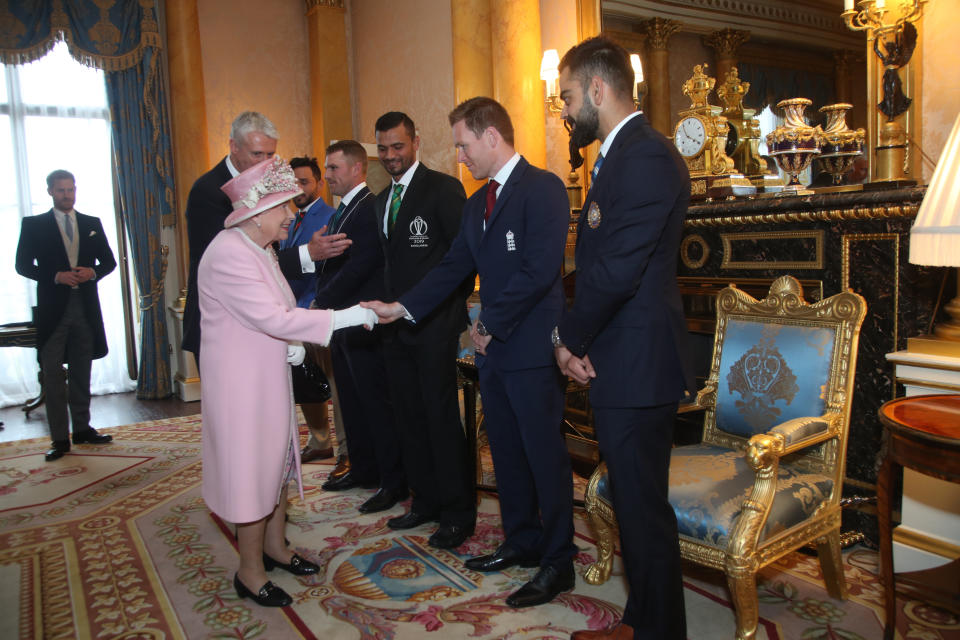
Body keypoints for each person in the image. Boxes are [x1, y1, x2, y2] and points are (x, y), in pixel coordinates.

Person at [364, 97, 576, 604]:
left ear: (491, 137)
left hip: (529, 349)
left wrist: (489, 324)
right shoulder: (477, 202)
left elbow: (540, 270)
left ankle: (558, 561)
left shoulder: (542, 188)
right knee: (504, 453)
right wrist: (402, 307)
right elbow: (452, 267)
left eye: (463, 144)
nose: (460, 155)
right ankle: (522, 541)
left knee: (543, 456)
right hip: (494, 353)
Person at [554, 36, 692, 640]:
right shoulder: (619, 154)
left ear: (599, 90)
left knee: (644, 516)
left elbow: (614, 273)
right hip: (619, 359)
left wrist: (567, 337)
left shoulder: (647, 157)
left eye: (566, 97)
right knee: (635, 513)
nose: (562, 110)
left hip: (638, 365)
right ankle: (640, 622)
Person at [199, 156, 377, 608]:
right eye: (284, 208)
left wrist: (289, 344)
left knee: (275, 463)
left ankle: (276, 549)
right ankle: (250, 570)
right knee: (251, 474)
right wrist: (356, 315)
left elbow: (272, 310)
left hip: (264, 375)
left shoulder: (257, 248)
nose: (293, 215)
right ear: (258, 213)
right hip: (242, 388)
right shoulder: (228, 254)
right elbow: (273, 315)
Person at [372, 111, 475, 544]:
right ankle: (425, 501)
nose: (391, 156)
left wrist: (446, 315)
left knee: (440, 419)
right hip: (393, 331)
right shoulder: (381, 200)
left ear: (415, 142)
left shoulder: (443, 190)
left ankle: (457, 513)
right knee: (409, 419)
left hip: (434, 327)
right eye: (383, 149)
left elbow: (463, 259)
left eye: (398, 146)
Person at [314, 140, 406, 513]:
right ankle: (363, 468)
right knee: (351, 402)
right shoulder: (342, 211)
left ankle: (390, 480)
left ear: (356, 169)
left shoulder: (368, 209)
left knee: (374, 405)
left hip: (363, 322)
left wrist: (321, 302)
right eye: (326, 168)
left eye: (334, 168)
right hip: (342, 323)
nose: (327, 176)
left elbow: (359, 267)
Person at [15, 169, 117, 461]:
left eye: (70, 190)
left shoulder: (91, 223)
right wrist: (55, 276)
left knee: (82, 372)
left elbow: (109, 261)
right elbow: (22, 265)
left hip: (84, 308)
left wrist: (92, 272)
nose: (67, 195)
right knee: (53, 376)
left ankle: (83, 430)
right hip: (52, 312)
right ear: (50, 191)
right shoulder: (34, 225)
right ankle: (60, 439)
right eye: (61, 190)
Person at [183, 111, 279, 364]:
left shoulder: (266, 185)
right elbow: (232, 262)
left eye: (271, 154)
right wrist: (306, 255)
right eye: (257, 154)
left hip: (256, 317)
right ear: (234, 146)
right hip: (219, 321)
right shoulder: (208, 191)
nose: (265, 162)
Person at [273, 156, 349, 470]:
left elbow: (332, 268)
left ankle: (347, 449)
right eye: (294, 183)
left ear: (318, 182)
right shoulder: (288, 218)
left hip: (319, 312)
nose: (299, 188)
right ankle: (319, 441)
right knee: (305, 380)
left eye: (305, 182)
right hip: (291, 314)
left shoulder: (329, 216)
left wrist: (320, 303)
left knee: (335, 384)